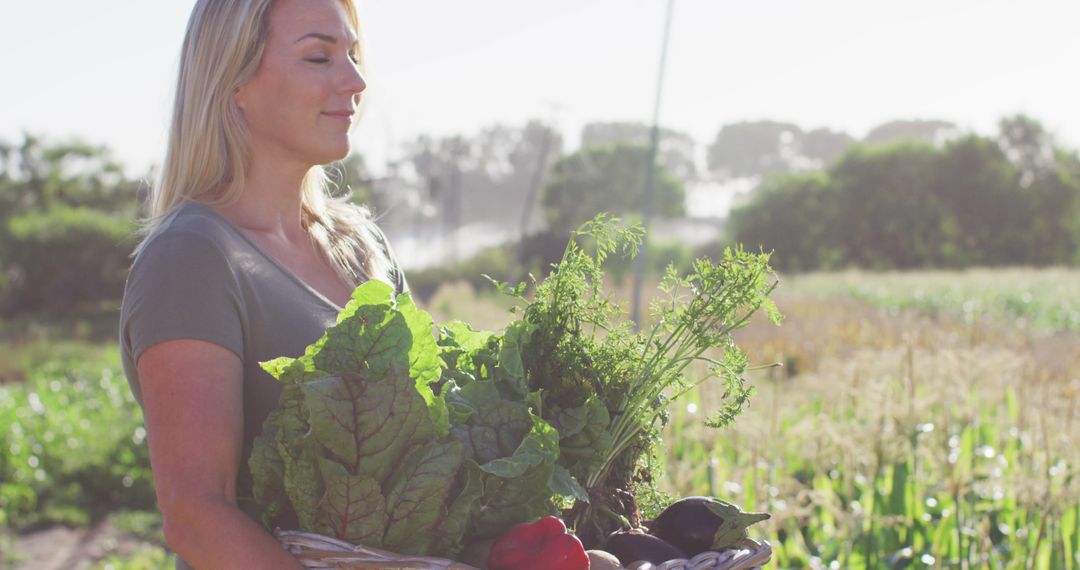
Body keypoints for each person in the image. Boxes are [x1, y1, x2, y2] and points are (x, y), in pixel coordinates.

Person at [118, 0, 405, 567]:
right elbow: (197, 516)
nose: (355, 80)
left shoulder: (361, 248)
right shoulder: (191, 257)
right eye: (319, 56)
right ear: (234, 80)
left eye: (351, 54)